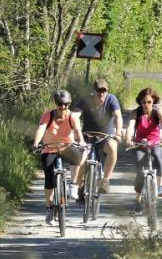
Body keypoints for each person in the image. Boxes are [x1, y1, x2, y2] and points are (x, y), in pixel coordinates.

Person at [33, 89, 87, 224]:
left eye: (66, 104)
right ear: (56, 104)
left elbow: (78, 131)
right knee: (49, 180)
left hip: (67, 147)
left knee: (78, 157)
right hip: (49, 148)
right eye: (60, 104)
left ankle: (74, 185)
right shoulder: (48, 115)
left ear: (69, 104)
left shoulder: (72, 117)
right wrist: (36, 143)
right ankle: (50, 208)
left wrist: (80, 141)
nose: (63, 107)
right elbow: (41, 129)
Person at [125, 87, 162, 213]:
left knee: (158, 156)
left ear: (153, 101)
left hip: (155, 142)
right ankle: (138, 200)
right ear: (140, 102)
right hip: (139, 143)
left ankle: (160, 186)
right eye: (143, 102)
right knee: (139, 168)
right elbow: (130, 126)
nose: (146, 105)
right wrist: (128, 139)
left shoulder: (158, 111)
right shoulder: (136, 112)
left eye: (149, 102)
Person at [73, 79, 123, 195]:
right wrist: (74, 126)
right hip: (87, 136)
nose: (101, 94)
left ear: (107, 91)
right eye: (98, 91)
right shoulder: (86, 100)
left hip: (105, 137)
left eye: (103, 91)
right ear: (93, 91)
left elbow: (118, 116)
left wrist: (118, 133)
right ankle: (81, 187)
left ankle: (105, 180)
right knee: (80, 159)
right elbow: (75, 115)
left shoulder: (111, 99)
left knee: (112, 148)